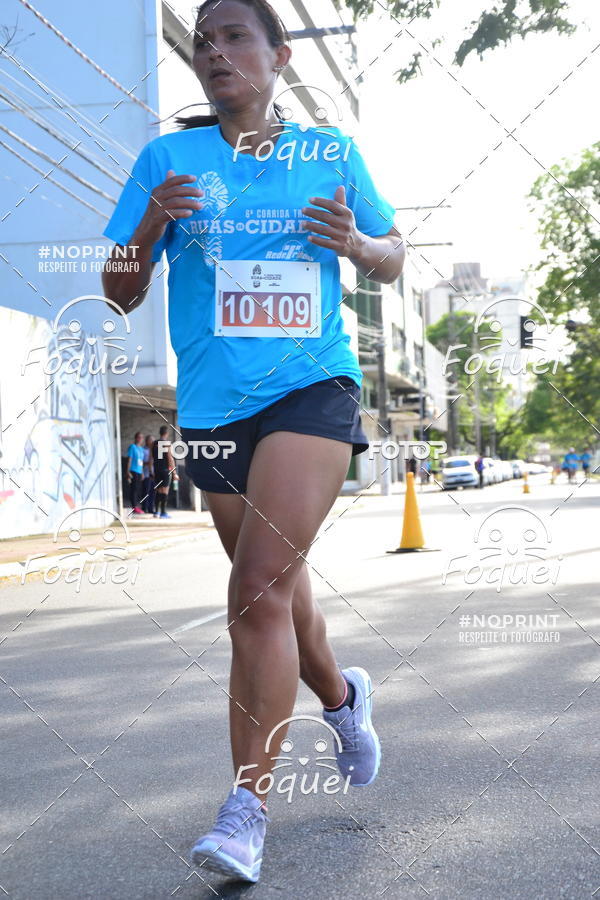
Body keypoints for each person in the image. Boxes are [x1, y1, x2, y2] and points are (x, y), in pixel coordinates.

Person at [102, 0, 404, 883]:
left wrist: (358, 243)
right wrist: (153, 224)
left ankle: (246, 812)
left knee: (255, 592)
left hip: (312, 385)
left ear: (277, 57)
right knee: (279, 589)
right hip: (210, 407)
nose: (215, 49)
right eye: (204, 39)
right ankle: (344, 699)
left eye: (235, 35)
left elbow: (393, 252)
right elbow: (118, 291)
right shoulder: (166, 158)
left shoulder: (329, 154)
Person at [152, 424, 178, 519]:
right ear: (166, 433)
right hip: (165, 470)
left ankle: (156, 512)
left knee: (158, 490)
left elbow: (152, 457)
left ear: (160, 433)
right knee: (165, 491)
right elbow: (170, 458)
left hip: (156, 470)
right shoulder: (167, 443)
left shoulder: (154, 443)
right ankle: (163, 513)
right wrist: (174, 473)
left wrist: (152, 470)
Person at [126, 432, 145, 514]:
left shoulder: (141, 449)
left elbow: (142, 462)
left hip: (139, 471)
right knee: (134, 489)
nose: (141, 439)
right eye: (139, 437)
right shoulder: (132, 447)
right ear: (136, 438)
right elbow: (129, 459)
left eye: (142, 437)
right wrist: (127, 471)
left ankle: (137, 506)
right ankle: (134, 506)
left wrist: (142, 472)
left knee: (138, 489)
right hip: (133, 470)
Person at [141, 434, 156, 513]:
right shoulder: (143, 450)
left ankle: (151, 508)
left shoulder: (154, 450)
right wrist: (148, 463)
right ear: (147, 441)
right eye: (151, 440)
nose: (153, 442)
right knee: (146, 491)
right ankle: (144, 508)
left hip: (154, 474)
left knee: (152, 492)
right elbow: (140, 462)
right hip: (146, 474)